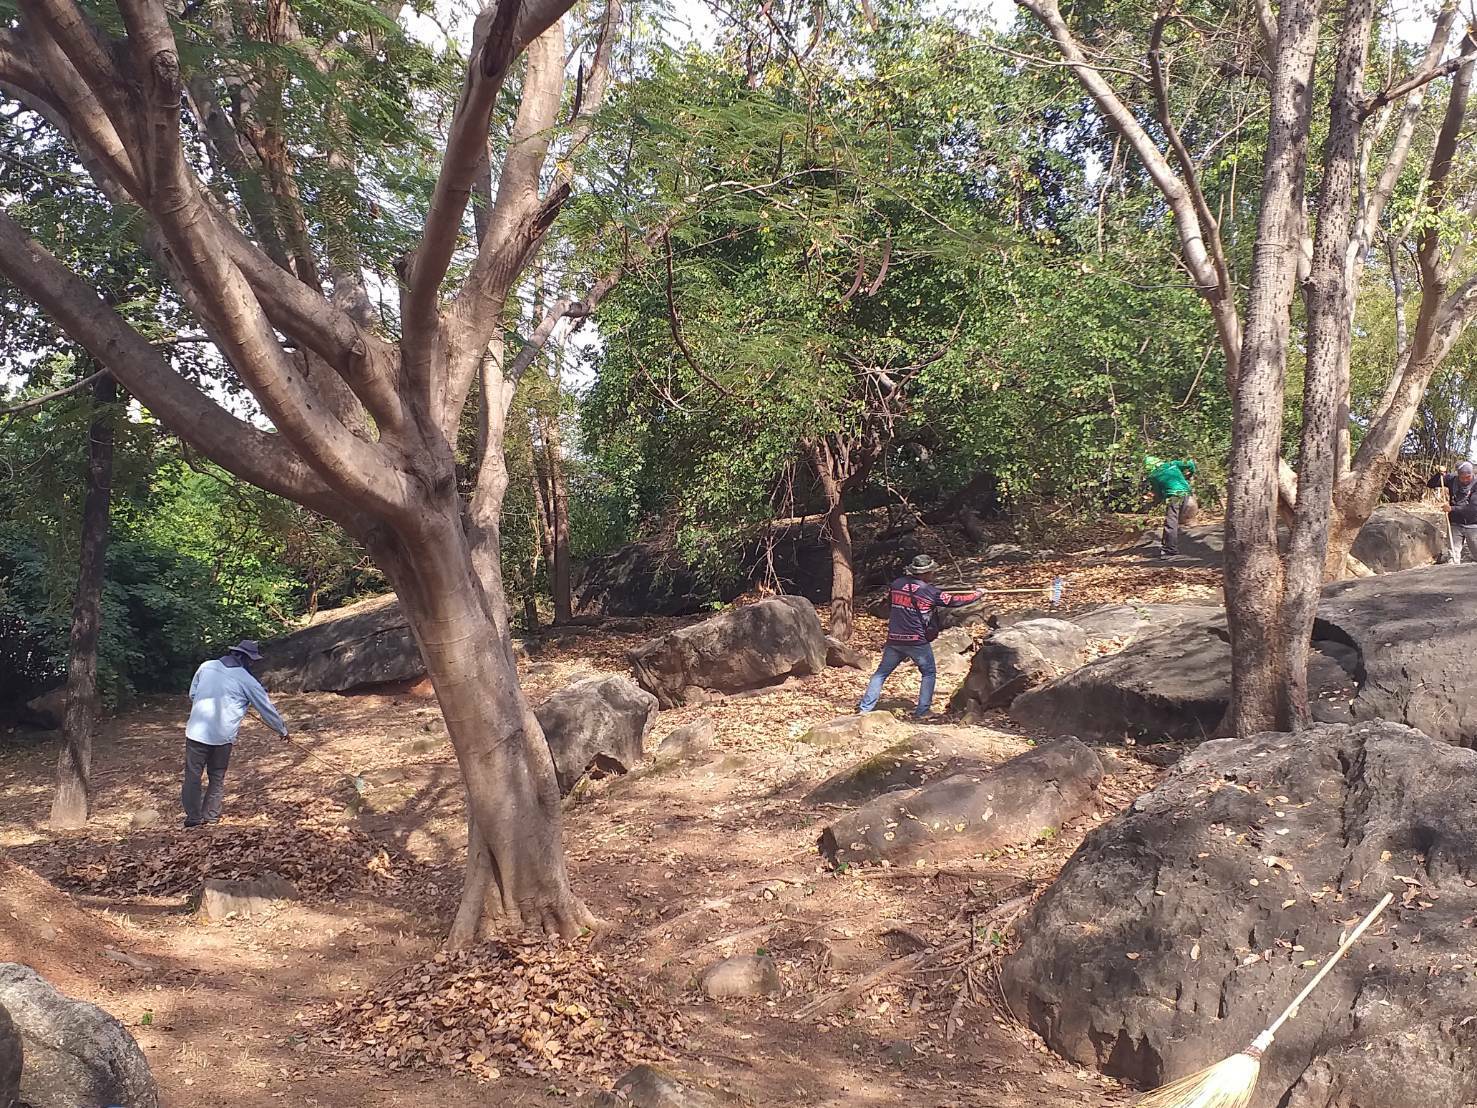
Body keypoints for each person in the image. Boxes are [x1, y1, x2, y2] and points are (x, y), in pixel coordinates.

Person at [858, 554, 983, 720]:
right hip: (916, 640)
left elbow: (889, 603)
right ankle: (922, 711)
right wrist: (977, 594)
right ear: (925, 573)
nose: (933, 574)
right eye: (931, 571)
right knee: (928, 672)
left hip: (894, 638)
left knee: (881, 674)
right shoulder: (930, 592)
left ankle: (865, 709)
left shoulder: (897, 585)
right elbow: (955, 601)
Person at [181, 639, 288, 828]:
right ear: (242, 657)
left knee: (193, 776)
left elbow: (193, 695)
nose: (252, 664)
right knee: (217, 776)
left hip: (196, 732)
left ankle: (193, 819)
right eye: (250, 660)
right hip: (222, 737)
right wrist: (282, 730)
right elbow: (266, 708)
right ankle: (211, 817)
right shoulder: (246, 680)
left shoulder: (206, 666)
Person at [1146, 456, 1198, 556]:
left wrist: (1156, 503)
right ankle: (1171, 546)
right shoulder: (1172, 464)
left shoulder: (1153, 476)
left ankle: (1170, 549)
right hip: (1186, 494)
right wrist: (1189, 475)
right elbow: (1190, 463)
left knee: (1171, 522)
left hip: (1174, 496)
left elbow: (1158, 493)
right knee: (1178, 520)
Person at [1429, 462, 1477, 563]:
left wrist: (1452, 509)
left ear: (1472, 474)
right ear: (1458, 475)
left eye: (1467, 477)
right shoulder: (1452, 479)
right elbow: (1431, 484)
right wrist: (1439, 475)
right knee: (1453, 556)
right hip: (1455, 523)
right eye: (1462, 477)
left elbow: (1473, 508)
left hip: (1473, 524)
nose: (1464, 480)